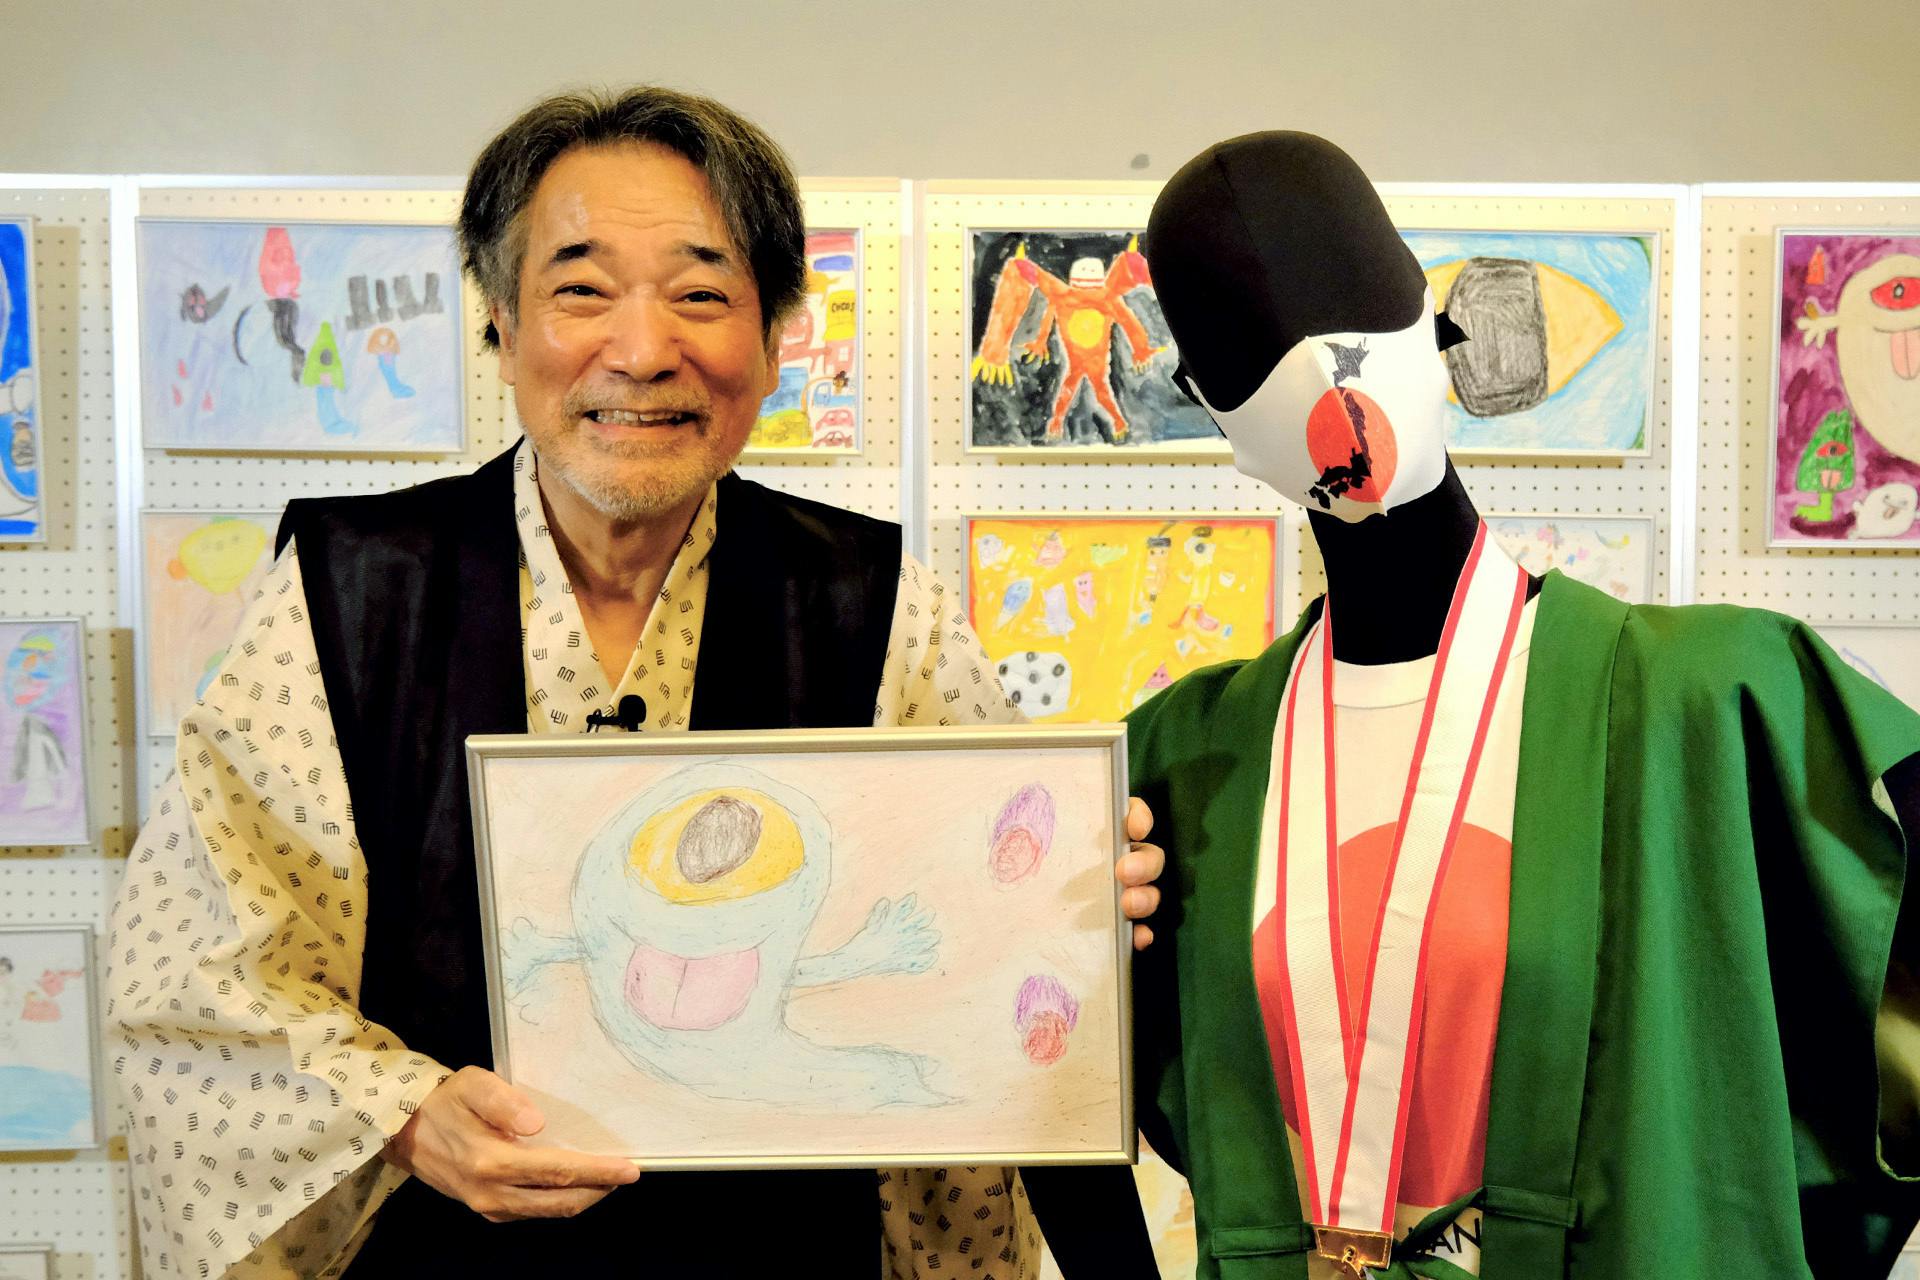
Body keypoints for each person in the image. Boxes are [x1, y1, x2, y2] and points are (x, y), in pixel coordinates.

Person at [107, 86, 1160, 1280]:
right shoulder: (346, 595)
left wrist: (1066, 889)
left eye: (702, 294)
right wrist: (408, 1115)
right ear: (502, 322)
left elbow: (972, 945)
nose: (645, 349)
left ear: (774, 339)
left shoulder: (875, 603)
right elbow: (201, 973)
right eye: (582, 289)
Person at [1124, 130, 1920, 1279]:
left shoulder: (1707, 702)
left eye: (1348, 305)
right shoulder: (1184, 759)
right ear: (1210, 407)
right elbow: (1050, 1087)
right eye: (1254, 348)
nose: (1321, 374)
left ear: (1426, 310)